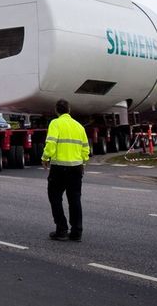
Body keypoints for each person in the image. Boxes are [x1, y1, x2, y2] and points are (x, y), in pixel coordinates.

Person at [41, 99, 90, 241]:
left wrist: (45, 157)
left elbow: (51, 143)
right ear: (69, 110)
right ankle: (76, 232)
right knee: (74, 199)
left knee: (55, 197)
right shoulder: (79, 126)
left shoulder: (55, 123)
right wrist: (82, 163)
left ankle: (61, 229)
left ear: (57, 110)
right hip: (76, 168)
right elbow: (85, 148)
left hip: (59, 168)